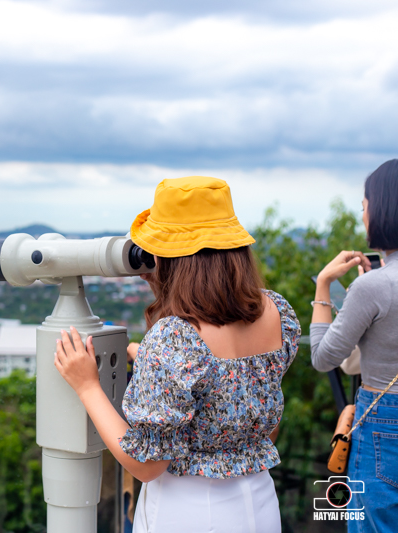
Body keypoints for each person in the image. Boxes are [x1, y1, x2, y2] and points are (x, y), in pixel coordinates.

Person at [54, 176, 299, 533]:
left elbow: (147, 465)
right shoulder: (275, 312)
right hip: (259, 503)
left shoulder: (174, 338)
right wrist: (153, 363)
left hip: (192, 511)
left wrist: (87, 385)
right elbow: (249, 410)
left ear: (171, 258)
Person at [310, 159, 398, 533]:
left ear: (381, 210)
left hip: (385, 423)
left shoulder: (373, 286)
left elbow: (322, 356)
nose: (363, 216)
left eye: (364, 207)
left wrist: (323, 285)